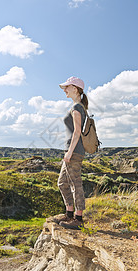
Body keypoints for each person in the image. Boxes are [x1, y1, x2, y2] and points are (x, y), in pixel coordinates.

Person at [54, 76, 88, 230]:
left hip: (74, 151)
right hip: (72, 151)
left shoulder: (77, 108)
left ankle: (78, 218)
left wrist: (69, 153)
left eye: (67, 87)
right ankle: (69, 214)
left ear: (75, 89)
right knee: (62, 182)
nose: (65, 90)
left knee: (75, 183)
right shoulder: (77, 106)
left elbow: (77, 132)